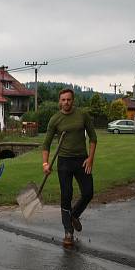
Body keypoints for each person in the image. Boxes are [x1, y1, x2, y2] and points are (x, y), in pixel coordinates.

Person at [42, 88, 97, 247]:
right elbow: (46, 144)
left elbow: (93, 138)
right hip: (64, 161)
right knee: (66, 194)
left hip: (81, 160)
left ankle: (74, 215)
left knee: (88, 192)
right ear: (60, 101)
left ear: (73, 100)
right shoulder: (55, 119)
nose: (66, 102)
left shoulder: (82, 115)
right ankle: (68, 231)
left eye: (69, 99)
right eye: (63, 100)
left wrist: (90, 158)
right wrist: (45, 163)